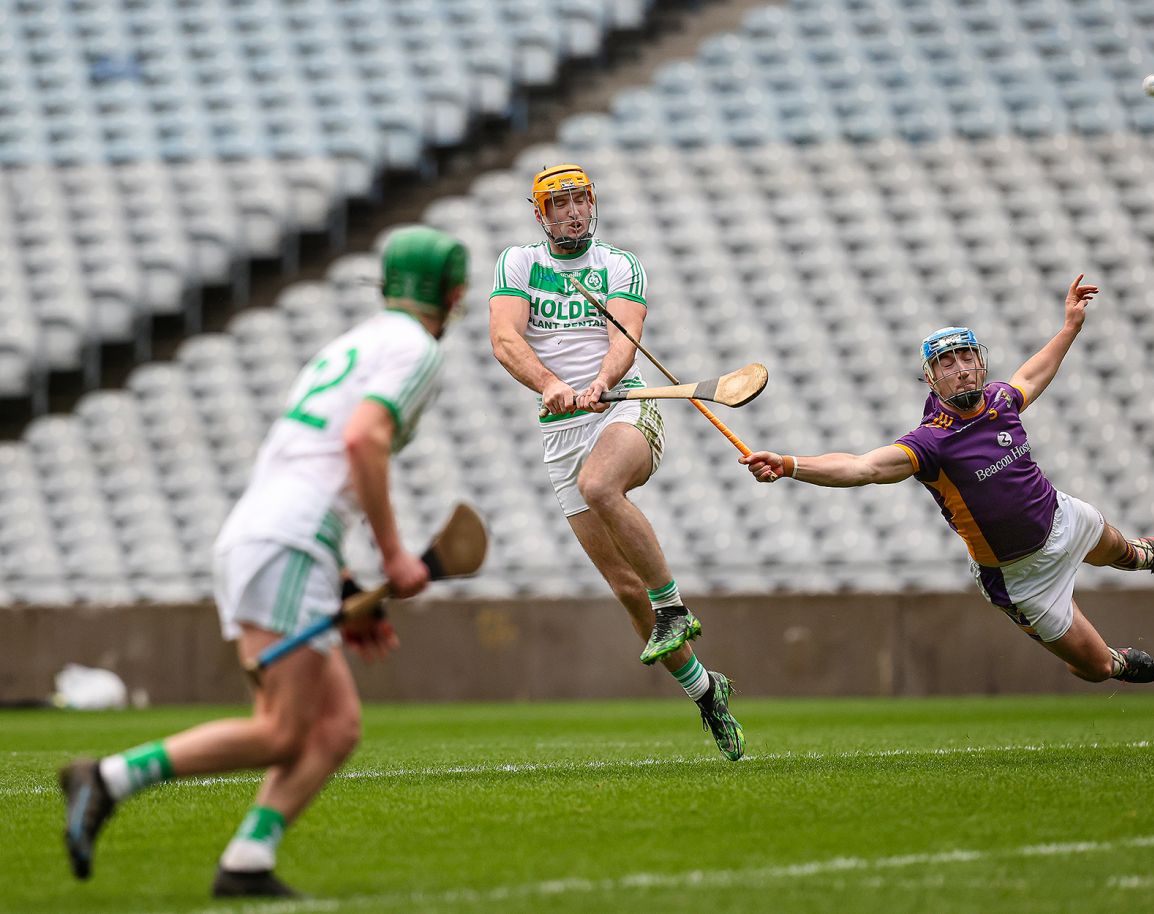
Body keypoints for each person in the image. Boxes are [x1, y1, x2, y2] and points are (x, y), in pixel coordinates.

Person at [58, 226, 469, 897]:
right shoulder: (417, 348)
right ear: (453, 293)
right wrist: (394, 556)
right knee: (282, 731)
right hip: (288, 539)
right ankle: (106, 779)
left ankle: (247, 863)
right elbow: (363, 439)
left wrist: (342, 586)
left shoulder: (350, 344)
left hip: (271, 532)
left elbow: (306, 459)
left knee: (335, 728)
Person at [740, 275, 1154, 684]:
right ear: (931, 379)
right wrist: (788, 463)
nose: (959, 368)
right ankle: (1112, 661)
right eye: (946, 363)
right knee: (1093, 670)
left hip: (1061, 518)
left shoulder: (1001, 399)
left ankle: (1140, 553)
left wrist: (1070, 327)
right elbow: (863, 468)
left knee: (1113, 548)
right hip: (1020, 577)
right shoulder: (931, 442)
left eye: (965, 357)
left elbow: (1033, 374)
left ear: (980, 362)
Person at [488, 164, 744, 760]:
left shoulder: (620, 265)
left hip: (622, 413)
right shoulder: (519, 265)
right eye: (560, 204)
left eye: (581, 201)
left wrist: (602, 379)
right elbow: (505, 339)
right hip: (560, 433)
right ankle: (707, 692)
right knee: (627, 589)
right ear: (541, 215)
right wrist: (549, 382)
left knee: (601, 483)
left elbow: (626, 339)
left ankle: (674, 608)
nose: (573, 212)